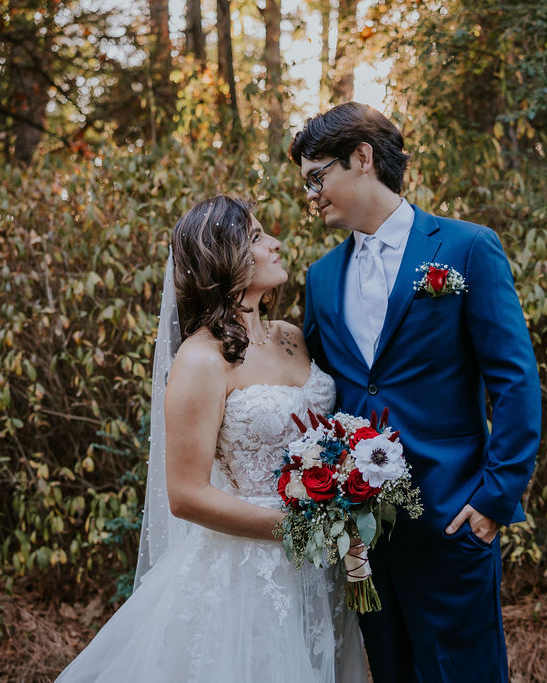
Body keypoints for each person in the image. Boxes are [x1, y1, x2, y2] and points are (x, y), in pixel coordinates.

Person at [57, 196, 367, 682]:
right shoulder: (200, 360)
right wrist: (294, 529)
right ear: (225, 257)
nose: (276, 244)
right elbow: (185, 495)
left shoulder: (292, 335)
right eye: (258, 237)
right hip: (250, 572)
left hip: (321, 565)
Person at [290, 102, 542, 683]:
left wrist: (494, 500)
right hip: (360, 536)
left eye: (316, 176)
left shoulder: (467, 248)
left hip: (453, 519)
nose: (311, 194)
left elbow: (514, 379)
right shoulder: (321, 277)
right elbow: (315, 389)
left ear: (362, 159)